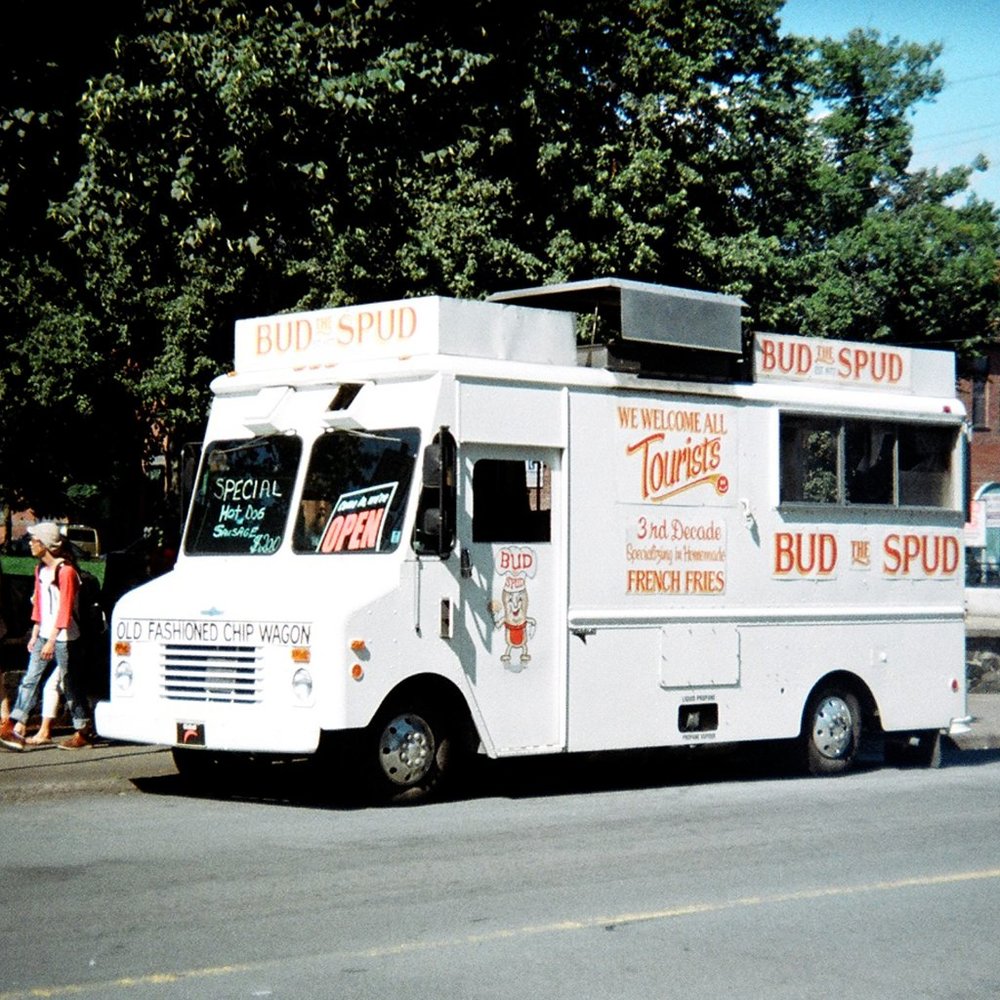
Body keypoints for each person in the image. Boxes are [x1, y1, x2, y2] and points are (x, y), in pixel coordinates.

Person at [0, 522, 92, 751]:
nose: (30, 544)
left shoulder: (66, 571)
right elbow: (40, 606)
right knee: (30, 678)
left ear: (47, 544)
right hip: (45, 634)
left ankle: (82, 730)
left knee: (70, 683)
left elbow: (65, 609)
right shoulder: (40, 569)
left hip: (66, 638)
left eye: (35, 540)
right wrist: (35, 634)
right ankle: (12, 725)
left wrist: (51, 639)